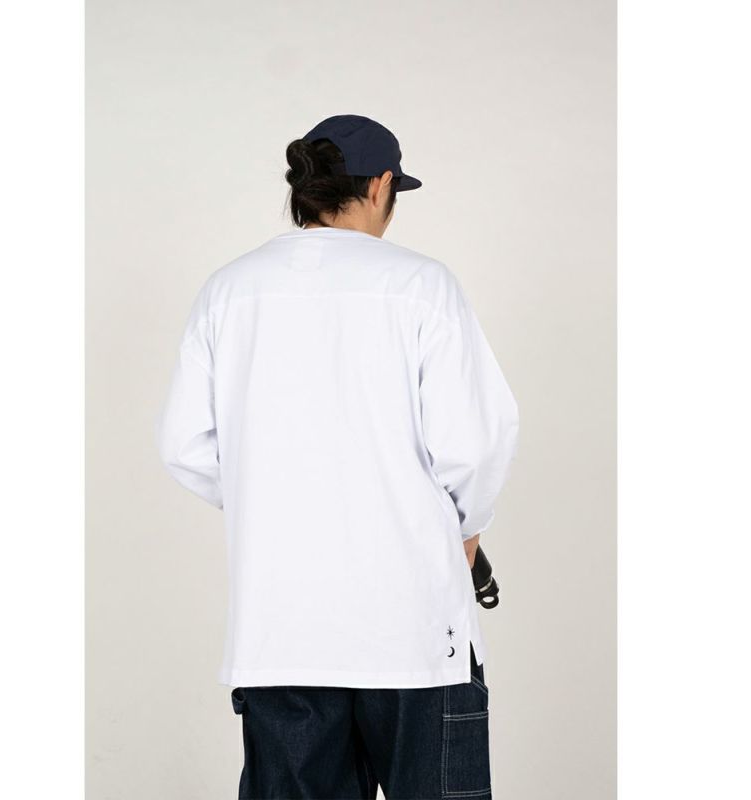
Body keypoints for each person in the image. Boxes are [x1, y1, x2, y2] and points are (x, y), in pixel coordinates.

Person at [155, 114, 520, 799]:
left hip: (281, 634)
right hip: (415, 634)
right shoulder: (421, 285)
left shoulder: (230, 290)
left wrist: (275, 491)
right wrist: (465, 532)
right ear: (380, 186)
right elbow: (475, 444)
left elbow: (183, 444)